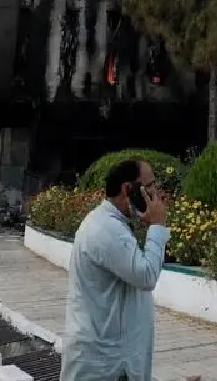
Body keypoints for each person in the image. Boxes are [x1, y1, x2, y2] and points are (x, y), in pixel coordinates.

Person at [60, 159, 169, 381]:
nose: (155, 194)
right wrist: (157, 225)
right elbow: (146, 275)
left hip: (110, 361)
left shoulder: (112, 224)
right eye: (149, 187)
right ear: (127, 189)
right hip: (104, 365)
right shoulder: (106, 229)